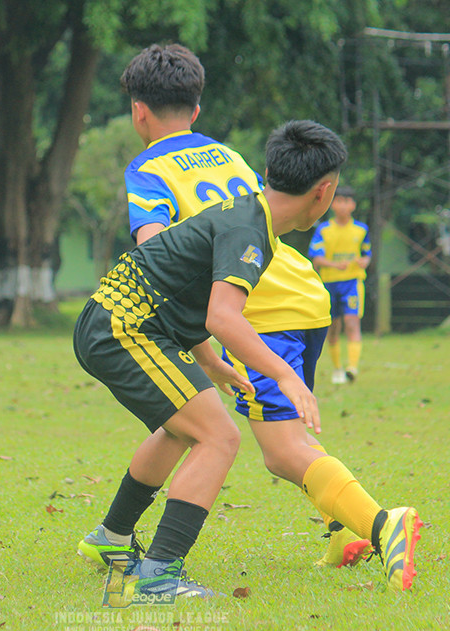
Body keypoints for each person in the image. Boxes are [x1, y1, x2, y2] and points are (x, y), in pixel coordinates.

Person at [74, 119, 422, 600]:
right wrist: (285, 374)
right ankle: (157, 577)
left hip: (121, 323)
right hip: (123, 327)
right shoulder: (249, 231)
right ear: (323, 194)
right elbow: (222, 316)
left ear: (265, 171)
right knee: (218, 436)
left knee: (182, 428)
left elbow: (185, 295)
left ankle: (111, 539)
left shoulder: (247, 216)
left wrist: (212, 365)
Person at [309, 187, 370, 384]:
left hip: (352, 282)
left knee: (352, 323)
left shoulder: (361, 230)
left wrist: (364, 262)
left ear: (353, 205)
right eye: (339, 201)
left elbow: (366, 254)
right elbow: (316, 258)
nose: (343, 205)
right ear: (332, 203)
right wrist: (334, 264)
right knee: (333, 328)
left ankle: (352, 367)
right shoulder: (323, 229)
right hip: (329, 283)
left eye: (347, 201)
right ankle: (337, 369)